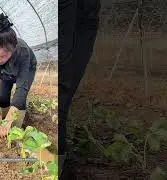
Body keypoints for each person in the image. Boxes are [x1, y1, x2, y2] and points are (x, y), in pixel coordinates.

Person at [0, 13, 37, 138]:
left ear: (13, 49)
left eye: (3, 55)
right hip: (5, 72)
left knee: (19, 99)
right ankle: (4, 120)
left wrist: (11, 118)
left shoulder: (22, 52)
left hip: (26, 68)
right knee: (3, 97)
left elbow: (22, 88)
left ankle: (15, 128)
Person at [59, 0, 101, 178]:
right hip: (82, 19)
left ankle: (55, 167)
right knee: (61, 100)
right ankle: (58, 166)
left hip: (83, 19)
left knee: (61, 98)